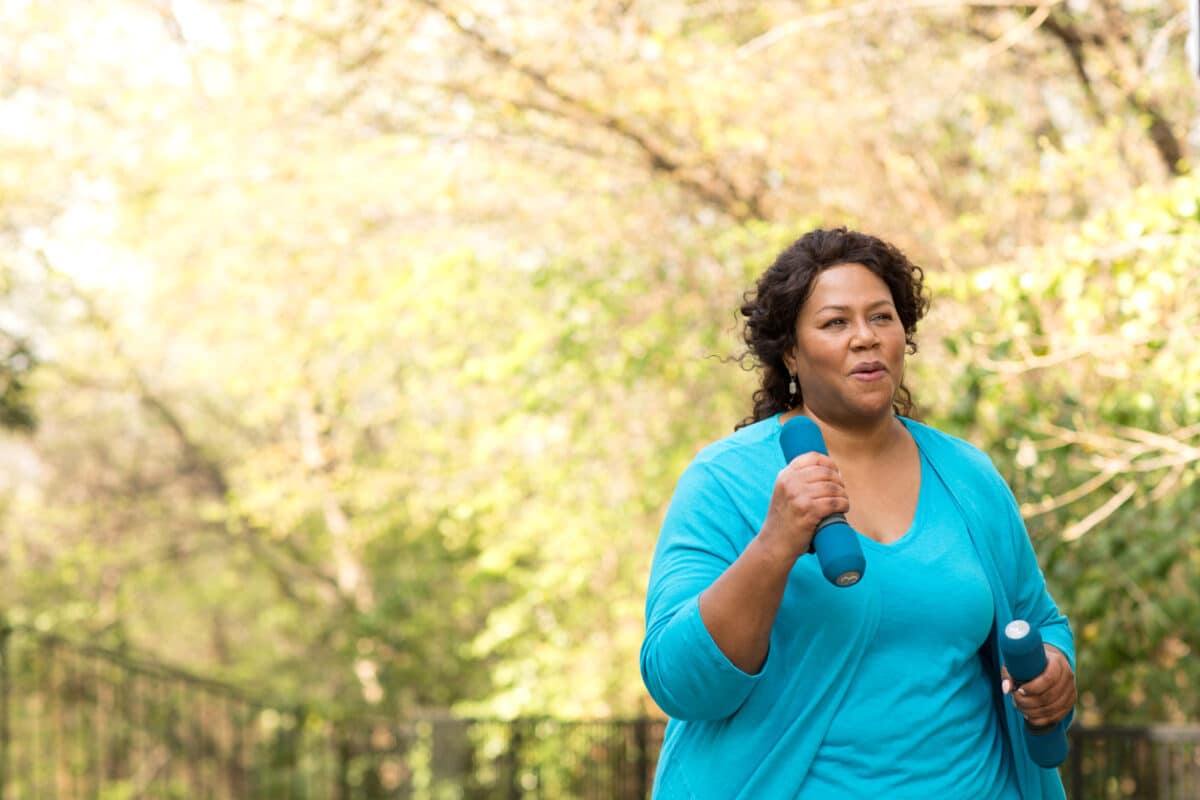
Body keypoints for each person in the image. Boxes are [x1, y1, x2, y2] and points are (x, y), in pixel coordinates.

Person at [640, 227, 1076, 798]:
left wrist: (1053, 671)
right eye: (835, 322)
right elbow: (681, 683)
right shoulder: (725, 480)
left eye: (882, 317)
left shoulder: (967, 474)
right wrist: (774, 545)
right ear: (791, 352)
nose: (865, 338)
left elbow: (1038, 621)